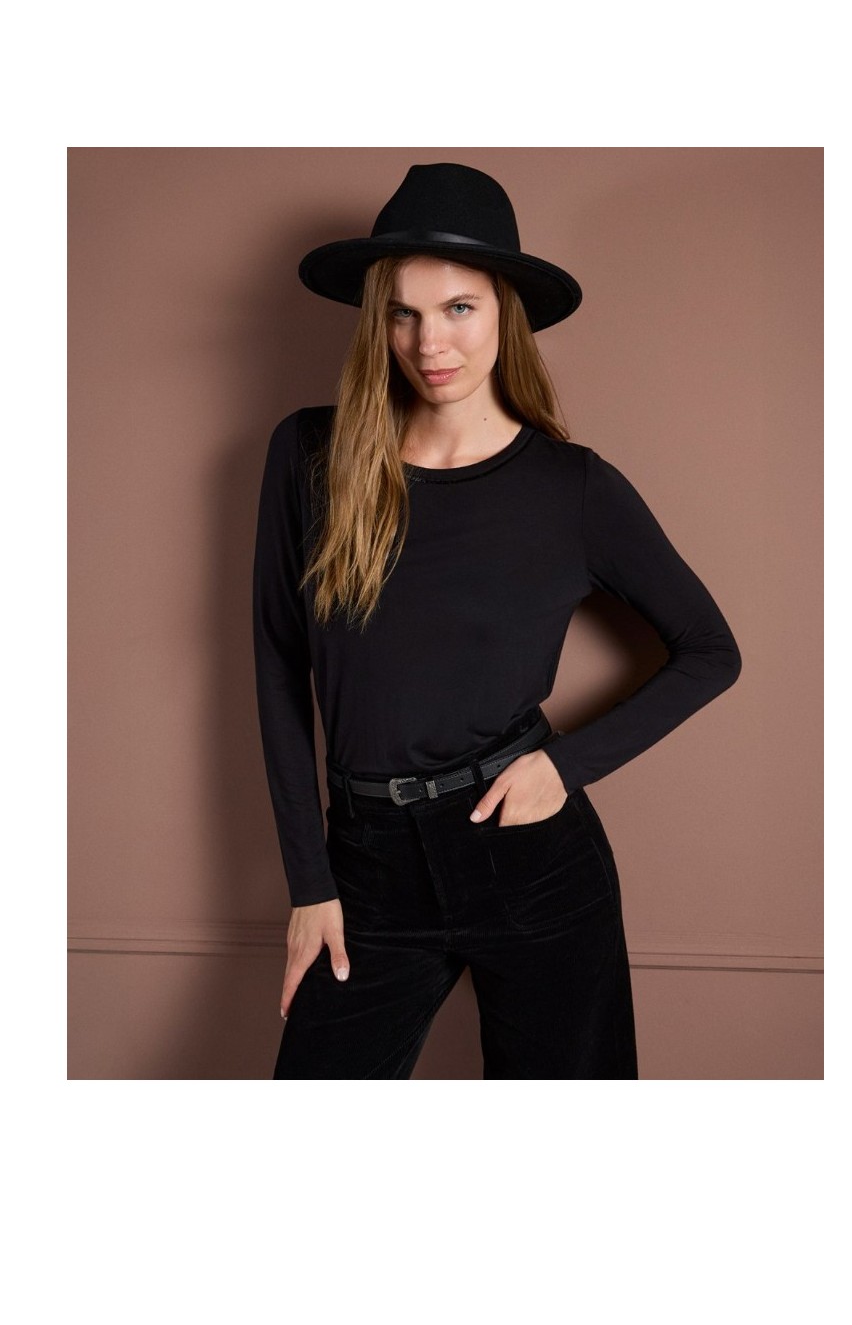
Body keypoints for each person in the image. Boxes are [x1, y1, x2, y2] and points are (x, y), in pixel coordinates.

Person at [253, 162, 741, 1079]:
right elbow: (280, 667)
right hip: (364, 866)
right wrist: (309, 884)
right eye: (403, 313)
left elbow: (712, 651)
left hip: (528, 856)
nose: (429, 341)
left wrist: (565, 765)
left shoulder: (571, 488)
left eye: (459, 308)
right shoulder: (310, 456)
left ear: (504, 313)